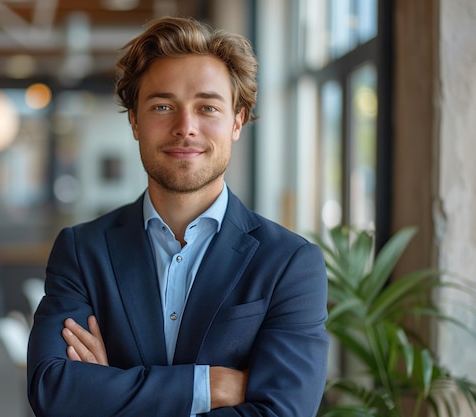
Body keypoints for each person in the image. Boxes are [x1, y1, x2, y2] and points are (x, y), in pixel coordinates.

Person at [27, 16, 329, 416]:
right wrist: (208, 385)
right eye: (163, 106)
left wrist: (110, 392)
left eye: (207, 107)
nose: (185, 128)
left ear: (237, 120)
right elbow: (53, 390)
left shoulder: (290, 263)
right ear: (134, 120)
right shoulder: (82, 251)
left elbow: (282, 412)